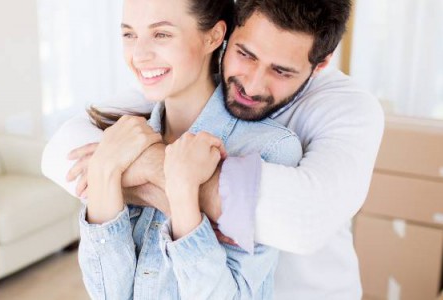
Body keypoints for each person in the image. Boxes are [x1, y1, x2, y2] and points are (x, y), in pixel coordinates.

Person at [43, 0, 385, 298]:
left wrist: (158, 177)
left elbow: (304, 223)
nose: (251, 84)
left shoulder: (346, 109)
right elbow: (61, 149)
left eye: (281, 71)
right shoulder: (173, 93)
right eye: (245, 54)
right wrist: (127, 167)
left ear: (319, 65)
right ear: (226, 35)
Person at [74, 0, 305, 298]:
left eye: (161, 35)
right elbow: (108, 294)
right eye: (129, 35)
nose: (139, 55)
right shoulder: (122, 141)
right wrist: (105, 169)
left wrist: (183, 193)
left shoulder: (269, 149)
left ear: (213, 36)